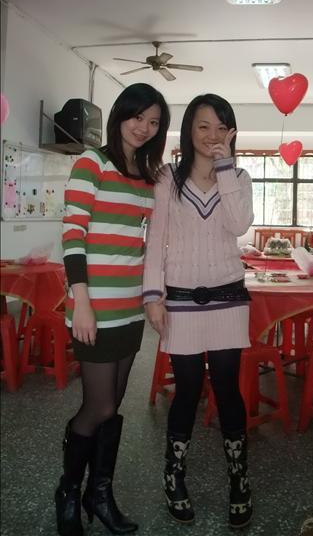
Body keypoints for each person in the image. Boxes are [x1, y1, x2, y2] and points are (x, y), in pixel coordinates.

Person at [55, 83, 171, 536]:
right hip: (94, 306)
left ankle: (99, 493)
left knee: (114, 404)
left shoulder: (147, 176)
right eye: (138, 117)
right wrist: (80, 300)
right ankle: (69, 492)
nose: (144, 128)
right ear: (121, 115)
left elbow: (146, 240)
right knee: (99, 405)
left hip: (130, 307)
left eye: (154, 122)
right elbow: (73, 234)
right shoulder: (92, 162)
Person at [143, 93, 254, 529]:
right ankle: (173, 476)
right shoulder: (167, 178)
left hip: (228, 298)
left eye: (221, 127)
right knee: (187, 390)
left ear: (231, 133)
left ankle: (239, 479)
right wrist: (153, 296)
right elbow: (156, 240)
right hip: (181, 300)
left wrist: (224, 167)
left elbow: (239, 225)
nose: (212, 135)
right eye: (203, 126)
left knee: (227, 389)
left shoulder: (239, 177)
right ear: (189, 129)